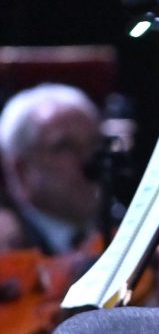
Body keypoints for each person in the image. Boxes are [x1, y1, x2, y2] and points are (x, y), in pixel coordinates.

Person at [0, 83, 104, 256]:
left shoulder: (126, 234)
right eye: (64, 147)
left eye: (94, 144)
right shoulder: (7, 248)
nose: (88, 160)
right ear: (21, 171)